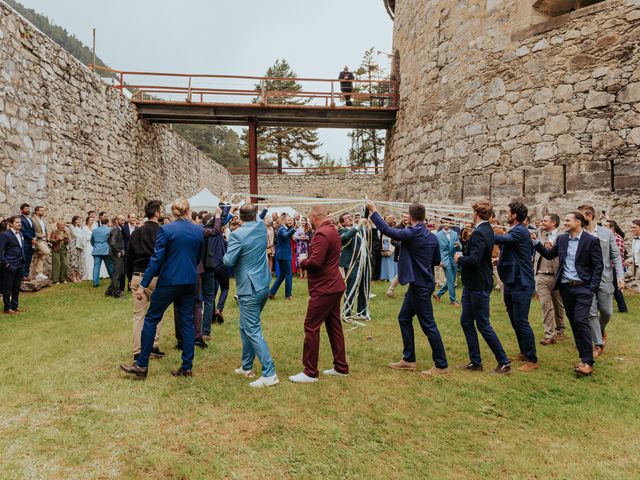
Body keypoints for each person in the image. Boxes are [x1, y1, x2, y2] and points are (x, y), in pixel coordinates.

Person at [120, 198, 204, 378]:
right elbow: (198, 258)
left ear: (173, 212)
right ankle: (187, 366)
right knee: (187, 322)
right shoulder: (198, 231)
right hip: (190, 280)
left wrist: (143, 285)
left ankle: (141, 364)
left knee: (151, 318)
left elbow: (156, 260)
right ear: (187, 211)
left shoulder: (166, 230)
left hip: (169, 281)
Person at [368, 201, 449, 377]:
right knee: (404, 318)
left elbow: (388, 231)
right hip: (418, 283)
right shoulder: (431, 236)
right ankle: (409, 359)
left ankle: (441, 365)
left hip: (420, 285)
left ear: (410, 217)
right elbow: (435, 260)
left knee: (428, 325)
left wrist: (374, 211)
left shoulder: (413, 232)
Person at [533, 211, 603, 375]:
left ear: (578, 222)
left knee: (581, 320)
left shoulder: (591, 240)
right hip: (565, 287)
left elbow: (598, 266)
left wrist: (591, 287)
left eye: (568, 220)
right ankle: (583, 357)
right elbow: (550, 255)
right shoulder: (562, 239)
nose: (565, 222)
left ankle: (587, 362)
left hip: (583, 287)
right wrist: (536, 243)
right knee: (574, 323)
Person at [289, 205, 349, 383]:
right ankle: (341, 366)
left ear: (315, 217)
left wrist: (302, 262)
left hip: (325, 288)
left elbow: (316, 262)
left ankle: (310, 372)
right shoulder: (332, 230)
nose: (309, 222)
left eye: (309, 218)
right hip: (334, 285)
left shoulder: (322, 233)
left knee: (311, 326)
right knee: (334, 326)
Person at [223, 203, 279, 388]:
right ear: (255, 216)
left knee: (252, 329)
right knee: (245, 326)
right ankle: (246, 366)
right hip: (263, 284)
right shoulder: (260, 227)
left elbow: (228, 261)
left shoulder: (237, 235)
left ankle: (269, 373)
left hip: (249, 288)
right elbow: (259, 217)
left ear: (240, 217)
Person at [454, 202, 511, 374]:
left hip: (478, 284)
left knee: (483, 324)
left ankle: (504, 362)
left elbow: (474, 259)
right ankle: (475, 361)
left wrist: (460, 258)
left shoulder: (480, 232)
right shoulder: (486, 230)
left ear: (476, 213)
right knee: (466, 321)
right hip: (472, 283)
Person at [494, 201, 538, 372]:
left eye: (507, 212)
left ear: (514, 215)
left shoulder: (519, 231)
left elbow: (499, 239)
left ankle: (532, 359)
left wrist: (483, 229)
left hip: (522, 283)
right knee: (514, 320)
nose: (506, 215)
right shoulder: (515, 231)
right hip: (512, 282)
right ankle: (524, 352)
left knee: (521, 321)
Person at [578, 205, 624, 357]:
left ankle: (601, 329)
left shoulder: (607, 233)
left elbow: (616, 256)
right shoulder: (579, 234)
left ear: (589, 216)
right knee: (590, 312)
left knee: (606, 312)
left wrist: (620, 277)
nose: (577, 219)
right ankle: (598, 344)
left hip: (605, 278)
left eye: (580, 216)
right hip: (585, 279)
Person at [125, 200, 166, 362]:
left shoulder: (136, 232)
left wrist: (130, 278)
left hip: (137, 276)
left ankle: (138, 350)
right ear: (156, 213)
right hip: (155, 277)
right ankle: (153, 345)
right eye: (161, 210)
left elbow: (129, 257)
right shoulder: (162, 232)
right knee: (157, 315)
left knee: (138, 316)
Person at [202, 203, 234, 338]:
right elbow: (224, 217)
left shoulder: (205, 232)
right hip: (220, 263)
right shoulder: (218, 232)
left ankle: (212, 317)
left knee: (211, 292)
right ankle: (219, 309)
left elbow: (223, 217)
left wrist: (226, 203)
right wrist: (230, 206)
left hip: (209, 265)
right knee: (225, 288)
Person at [534, 214, 566, 345]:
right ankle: (549, 335)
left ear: (553, 223)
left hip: (556, 275)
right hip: (540, 274)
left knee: (558, 305)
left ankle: (560, 330)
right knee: (545, 304)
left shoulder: (563, 236)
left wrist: (553, 247)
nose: (542, 223)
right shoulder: (540, 232)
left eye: (545, 221)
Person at [0, 216, 26, 314]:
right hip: (10, 265)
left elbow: (20, 248)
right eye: (17, 222)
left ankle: (15, 305)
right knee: (8, 288)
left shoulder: (21, 233)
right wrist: (6, 263)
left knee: (16, 287)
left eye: (20, 222)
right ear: (11, 224)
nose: (19, 224)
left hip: (20, 264)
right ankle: (7, 308)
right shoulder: (5, 235)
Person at [433, 220, 461, 306]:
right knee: (450, 280)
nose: (446, 224)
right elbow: (436, 249)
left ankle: (438, 294)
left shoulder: (455, 234)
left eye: (447, 222)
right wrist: (439, 260)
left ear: (450, 223)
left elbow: (460, 247)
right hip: (444, 259)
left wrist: (458, 245)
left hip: (453, 258)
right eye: (444, 222)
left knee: (451, 280)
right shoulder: (438, 235)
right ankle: (453, 300)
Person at [269, 214, 296, 300]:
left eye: (291, 220)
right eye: (289, 220)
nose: (290, 221)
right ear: (284, 220)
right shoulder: (282, 229)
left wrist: (291, 229)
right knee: (288, 275)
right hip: (284, 256)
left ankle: (271, 293)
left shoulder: (284, 228)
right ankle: (288, 295)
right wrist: (294, 229)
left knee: (282, 275)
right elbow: (285, 235)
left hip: (281, 255)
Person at [605, 219, 628, 313]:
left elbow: (616, 254)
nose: (603, 228)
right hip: (611, 266)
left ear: (612, 228)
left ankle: (623, 308)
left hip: (614, 266)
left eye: (605, 226)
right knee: (615, 288)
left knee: (616, 288)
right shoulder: (611, 237)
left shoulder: (616, 238)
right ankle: (622, 308)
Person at [105, 215, 126, 298]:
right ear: (117, 221)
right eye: (121, 220)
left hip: (115, 252)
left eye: (124, 220)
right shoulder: (116, 229)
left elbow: (108, 240)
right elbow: (113, 243)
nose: (123, 221)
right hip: (116, 254)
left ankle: (109, 291)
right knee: (117, 274)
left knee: (118, 273)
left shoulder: (117, 228)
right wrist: (118, 251)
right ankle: (116, 293)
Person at [90, 218, 113, 288]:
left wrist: (95, 246)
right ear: (107, 222)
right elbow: (111, 240)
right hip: (106, 250)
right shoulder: (109, 230)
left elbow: (92, 240)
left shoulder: (95, 230)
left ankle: (95, 283)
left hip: (96, 250)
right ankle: (114, 279)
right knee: (110, 266)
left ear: (100, 222)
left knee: (96, 267)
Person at [32, 206, 50, 279]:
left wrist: (46, 237)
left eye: (43, 211)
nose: (43, 212)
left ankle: (39, 273)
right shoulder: (33, 220)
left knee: (42, 256)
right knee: (47, 252)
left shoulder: (42, 220)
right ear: (37, 211)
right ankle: (38, 272)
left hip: (44, 240)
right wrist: (41, 235)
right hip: (38, 241)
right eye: (41, 211)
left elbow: (45, 231)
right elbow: (32, 232)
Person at [19, 204, 36, 280]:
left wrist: (34, 238)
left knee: (29, 259)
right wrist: (31, 238)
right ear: (21, 210)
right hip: (25, 241)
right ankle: (22, 275)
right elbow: (23, 231)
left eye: (28, 209)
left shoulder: (30, 219)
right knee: (24, 258)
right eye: (26, 209)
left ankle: (26, 275)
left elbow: (33, 230)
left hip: (32, 242)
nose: (28, 210)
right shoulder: (20, 219)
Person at [379, 215, 398, 282]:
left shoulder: (395, 227)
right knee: (385, 262)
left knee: (392, 262)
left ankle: (392, 277)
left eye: (391, 218)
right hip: (384, 245)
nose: (389, 220)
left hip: (391, 245)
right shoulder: (384, 227)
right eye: (388, 219)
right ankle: (385, 276)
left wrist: (392, 249)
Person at [67, 216, 85, 282]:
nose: (79, 221)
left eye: (80, 220)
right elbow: (75, 235)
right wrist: (82, 236)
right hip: (74, 245)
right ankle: (73, 276)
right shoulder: (71, 227)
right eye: (78, 220)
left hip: (80, 246)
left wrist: (83, 237)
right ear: (74, 220)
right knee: (74, 262)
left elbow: (83, 235)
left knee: (79, 261)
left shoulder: (80, 227)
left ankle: (78, 276)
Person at [626, 219, 640, 293]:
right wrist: (630, 260)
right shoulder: (634, 240)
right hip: (637, 269)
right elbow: (637, 255)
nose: (631, 229)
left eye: (634, 227)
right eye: (631, 227)